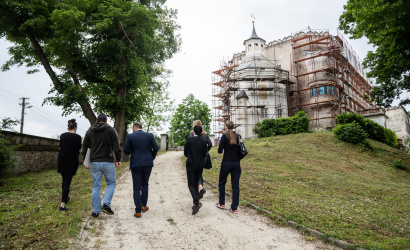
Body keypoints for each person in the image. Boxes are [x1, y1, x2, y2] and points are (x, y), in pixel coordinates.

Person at [82, 113, 122, 218]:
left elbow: (84, 147)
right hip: (108, 161)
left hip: (94, 162)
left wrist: (85, 162)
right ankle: (106, 205)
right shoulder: (110, 130)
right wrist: (118, 159)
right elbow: (116, 146)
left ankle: (95, 211)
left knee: (96, 186)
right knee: (111, 183)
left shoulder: (90, 131)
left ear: (96, 121)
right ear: (106, 121)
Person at [123, 122, 159, 218]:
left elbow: (126, 151)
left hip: (136, 163)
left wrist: (133, 151)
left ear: (134, 127)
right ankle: (143, 205)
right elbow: (156, 147)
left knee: (136, 187)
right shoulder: (150, 135)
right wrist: (152, 156)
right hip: (147, 162)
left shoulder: (130, 136)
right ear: (141, 127)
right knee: (145, 184)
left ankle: (138, 211)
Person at [184, 125, 212, 215]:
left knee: (191, 185)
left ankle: (197, 201)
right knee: (196, 183)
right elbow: (205, 153)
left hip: (191, 164)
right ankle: (195, 204)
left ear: (193, 131)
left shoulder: (189, 139)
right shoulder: (204, 141)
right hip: (200, 165)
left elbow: (185, 153)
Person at [216, 121, 241, 214]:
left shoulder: (224, 136)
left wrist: (224, 149)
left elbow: (219, 150)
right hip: (236, 163)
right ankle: (234, 208)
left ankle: (221, 203)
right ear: (233, 127)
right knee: (235, 186)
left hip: (226, 162)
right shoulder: (237, 136)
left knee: (222, 183)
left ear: (226, 127)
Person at [57, 119, 82, 212]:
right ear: (75, 128)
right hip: (71, 161)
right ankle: (62, 205)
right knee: (67, 183)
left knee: (64, 180)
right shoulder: (78, 137)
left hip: (62, 160)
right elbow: (79, 150)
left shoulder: (63, 136)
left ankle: (66, 197)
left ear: (68, 127)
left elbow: (60, 147)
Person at [189, 120, 212, 200]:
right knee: (200, 172)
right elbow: (210, 144)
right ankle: (200, 191)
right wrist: (205, 151)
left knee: (196, 174)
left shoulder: (192, 133)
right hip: (203, 157)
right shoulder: (205, 134)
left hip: (195, 157)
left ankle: (200, 188)